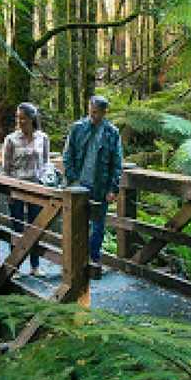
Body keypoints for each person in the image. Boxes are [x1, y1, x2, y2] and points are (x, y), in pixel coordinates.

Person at [63, 95, 123, 267]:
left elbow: (117, 163)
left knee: (98, 226)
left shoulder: (112, 132)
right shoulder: (77, 128)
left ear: (104, 112)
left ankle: (93, 260)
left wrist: (113, 189)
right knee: (76, 224)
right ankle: (75, 259)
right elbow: (68, 155)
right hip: (78, 185)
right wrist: (72, 180)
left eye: (96, 113)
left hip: (100, 186)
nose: (93, 116)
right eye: (91, 111)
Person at [1, 102, 50, 276]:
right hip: (16, 188)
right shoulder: (11, 139)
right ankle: (15, 266)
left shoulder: (42, 138)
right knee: (17, 227)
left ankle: (35, 267)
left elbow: (45, 164)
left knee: (35, 228)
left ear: (32, 119)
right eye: (17, 117)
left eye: (23, 118)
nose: (19, 121)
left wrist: (44, 182)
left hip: (37, 189)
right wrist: (8, 190)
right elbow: (5, 168)